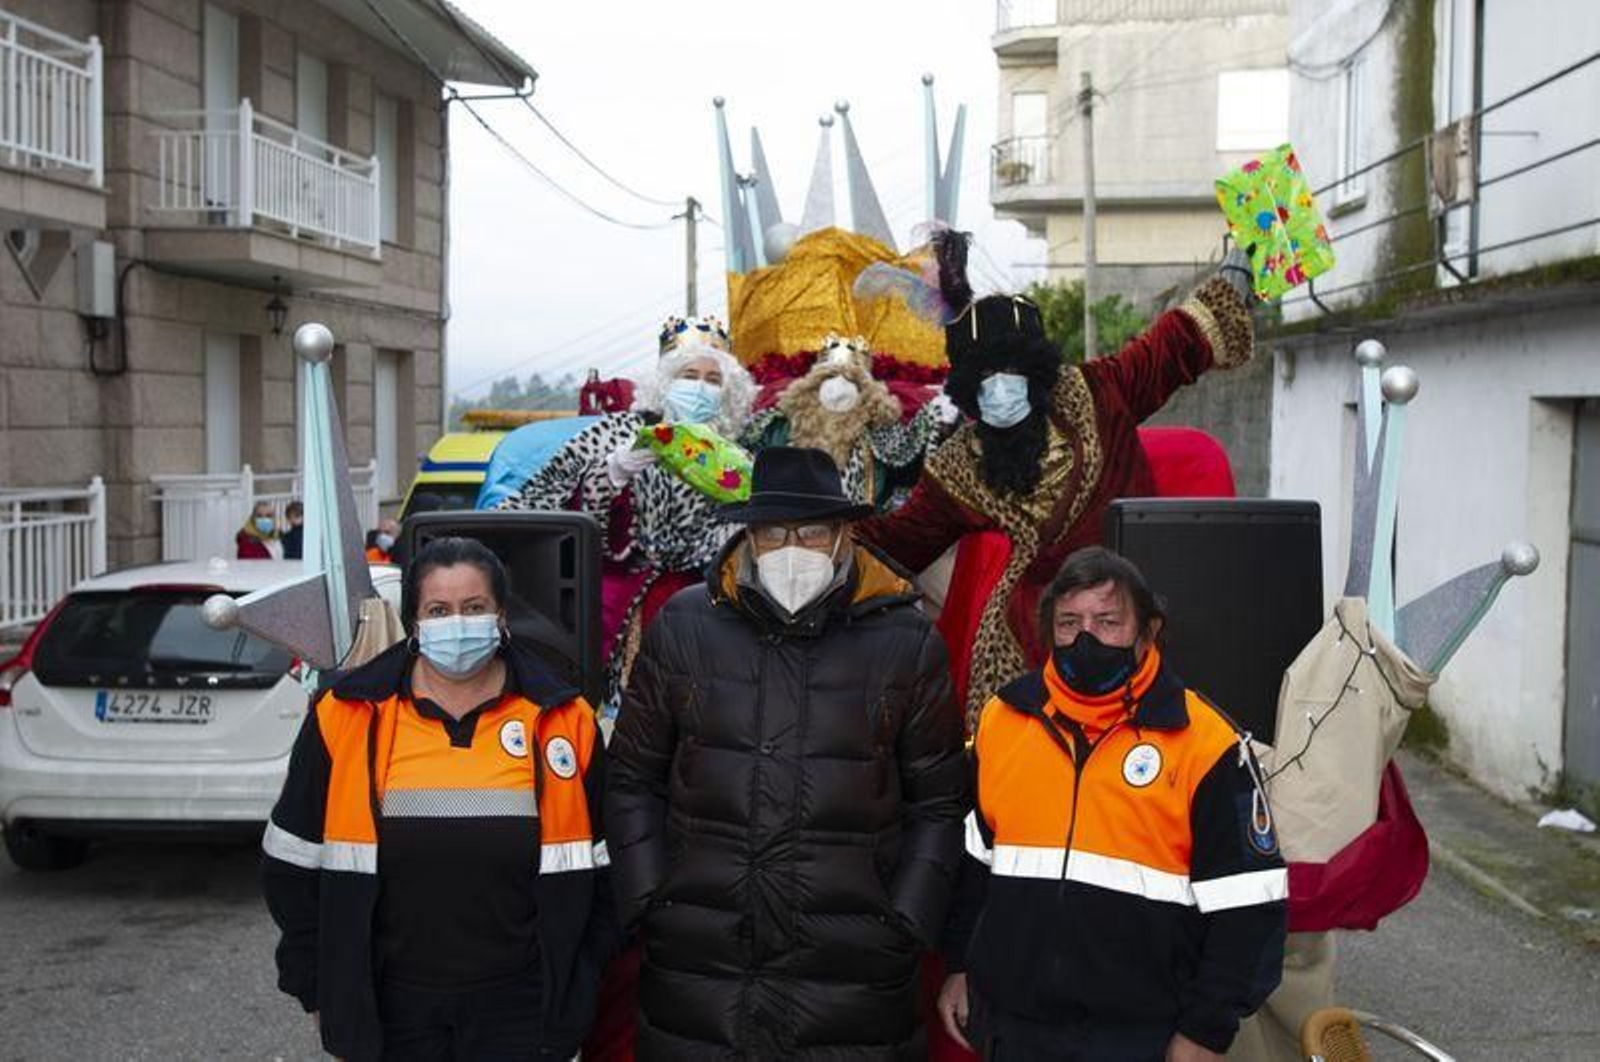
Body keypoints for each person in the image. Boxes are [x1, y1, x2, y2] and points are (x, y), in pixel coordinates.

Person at [606, 446, 967, 1058]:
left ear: (843, 535)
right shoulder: (685, 625)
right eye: (772, 532)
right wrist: (651, 896)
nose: (791, 548)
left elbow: (939, 801)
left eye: (811, 531)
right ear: (748, 536)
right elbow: (633, 777)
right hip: (703, 956)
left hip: (854, 963)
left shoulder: (907, 639)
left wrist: (905, 917)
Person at [854, 233, 1258, 725]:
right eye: (985, 379)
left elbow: (1168, 349)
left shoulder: (1098, 391)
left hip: (1133, 607)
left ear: (1038, 373)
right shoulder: (957, 466)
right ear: (967, 389)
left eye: (1012, 373)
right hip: (1039, 633)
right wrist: (810, 533)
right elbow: (898, 540)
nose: (1000, 391)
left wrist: (1231, 282)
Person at [262, 537, 616, 1061]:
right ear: (415, 622)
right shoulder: (345, 716)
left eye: (474, 608)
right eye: (439, 610)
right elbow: (292, 864)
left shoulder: (565, 721)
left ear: (501, 617)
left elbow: (606, 875)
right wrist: (319, 988)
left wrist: (578, 987)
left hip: (523, 1010)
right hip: (390, 1010)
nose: (458, 622)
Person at [936, 547, 1286, 1061]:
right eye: (1069, 622)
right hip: (1013, 1029)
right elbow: (973, 864)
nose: (1086, 638)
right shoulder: (1003, 721)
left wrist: (1206, 1032)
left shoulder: (1206, 744)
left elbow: (1250, 905)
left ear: (1148, 631)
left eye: (1107, 621)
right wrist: (960, 966)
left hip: (1139, 1038)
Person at [496, 314, 757, 704]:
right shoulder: (614, 433)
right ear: (666, 380)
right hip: (617, 603)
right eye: (690, 375)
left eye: (713, 379)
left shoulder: (739, 453)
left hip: (713, 605)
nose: (700, 388)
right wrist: (611, 475)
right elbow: (539, 506)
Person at [741, 333, 955, 511]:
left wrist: (933, 413)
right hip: (791, 524)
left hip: (859, 531)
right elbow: (746, 457)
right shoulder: (779, 425)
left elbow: (906, 453)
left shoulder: (877, 428)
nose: (838, 387)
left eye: (851, 380)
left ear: (865, 391)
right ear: (811, 386)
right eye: (829, 378)